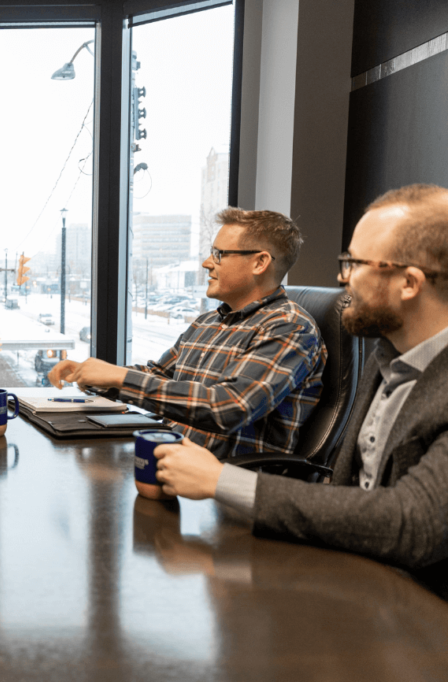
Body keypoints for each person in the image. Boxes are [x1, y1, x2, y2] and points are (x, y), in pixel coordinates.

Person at [153, 184, 448, 595]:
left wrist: (221, 481)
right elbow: (349, 492)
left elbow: (413, 522)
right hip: (355, 580)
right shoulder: (386, 360)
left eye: (355, 264)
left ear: (410, 283)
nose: (342, 279)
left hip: (421, 615)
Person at [49, 208, 326, 458]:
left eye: (219, 254)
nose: (207, 263)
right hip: (171, 460)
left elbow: (228, 408)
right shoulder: (206, 323)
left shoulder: (290, 327)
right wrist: (93, 374)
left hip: (222, 487)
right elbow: (159, 375)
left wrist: (120, 378)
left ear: (259, 263)